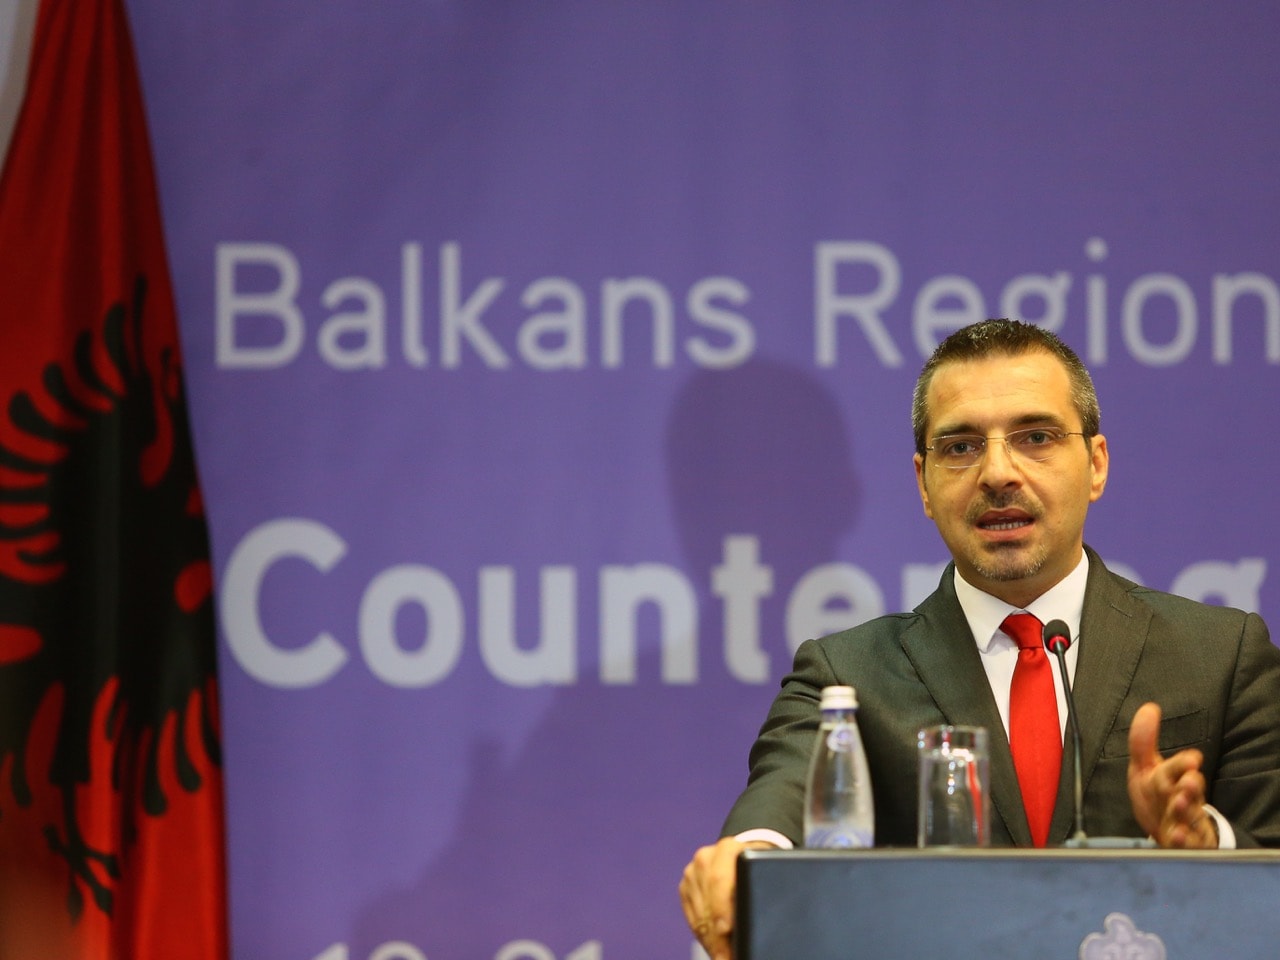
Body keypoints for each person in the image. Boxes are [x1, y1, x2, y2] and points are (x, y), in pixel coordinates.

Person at [679, 319, 1280, 960]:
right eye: (960, 446)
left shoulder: (1221, 654)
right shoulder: (845, 674)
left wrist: (1206, 843)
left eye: (1036, 437)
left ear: (1097, 464)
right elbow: (781, 802)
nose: (997, 472)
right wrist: (747, 858)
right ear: (924, 484)